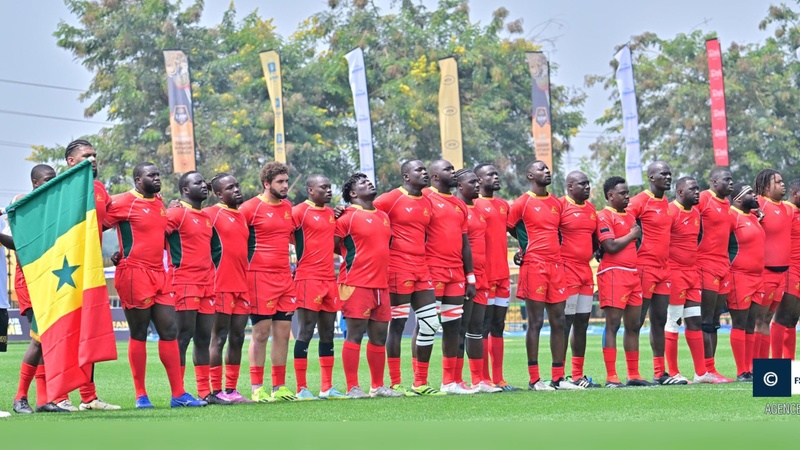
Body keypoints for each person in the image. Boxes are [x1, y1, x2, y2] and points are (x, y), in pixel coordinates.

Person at [104, 162, 204, 407]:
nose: (157, 178)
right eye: (152, 175)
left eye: (158, 174)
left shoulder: (159, 202)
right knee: (138, 332)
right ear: (138, 180)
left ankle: (178, 394)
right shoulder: (123, 202)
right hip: (134, 273)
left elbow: (158, 232)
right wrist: (115, 255)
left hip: (160, 273)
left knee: (169, 331)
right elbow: (97, 224)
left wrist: (171, 209)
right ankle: (141, 395)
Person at [57, 140, 121, 411]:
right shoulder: (58, 188)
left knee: (89, 332)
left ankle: (88, 397)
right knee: (65, 332)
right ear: (71, 161)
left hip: (91, 272)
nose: (93, 159)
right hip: (64, 272)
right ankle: (59, 397)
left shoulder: (99, 188)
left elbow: (107, 220)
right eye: (86, 156)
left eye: (94, 155)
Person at [507, 160, 578, 390]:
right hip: (534, 266)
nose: (547, 171)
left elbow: (560, 232)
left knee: (559, 321)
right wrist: (523, 248)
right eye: (541, 169)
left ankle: (558, 377)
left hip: (556, 266)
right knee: (536, 322)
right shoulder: (522, 202)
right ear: (530, 175)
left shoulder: (557, 203)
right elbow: (510, 226)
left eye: (548, 168)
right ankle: (535, 379)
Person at [374, 160, 442, 396]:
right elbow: (364, 211)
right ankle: (395, 383)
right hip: (397, 268)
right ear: (405, 176)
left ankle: (420, 382)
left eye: (425, 169)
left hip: (422, 268)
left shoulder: (427, 201)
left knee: (430, 323)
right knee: (398, 324)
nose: (424, 173)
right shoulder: (390, 199)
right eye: (419, 170)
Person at [334, 173, 404, 399]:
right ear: (353, 193)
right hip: (356, 283)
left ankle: (377, 386)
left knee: (379, 337)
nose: (369, 183)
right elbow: (332, 244)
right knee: (354, 334)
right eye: (362, 183)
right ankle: (353, 387)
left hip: (381, 285)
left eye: (369, 181)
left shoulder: (383, 216)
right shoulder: (346, 217)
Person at [5, 165, 68, 413]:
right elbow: (15, 243)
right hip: (30, 281)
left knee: (47, 340)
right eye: (47, 180)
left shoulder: (55, 209)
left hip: (51, 279)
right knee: (39, 339)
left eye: (54, 179)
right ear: (34, 183)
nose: (51, 184)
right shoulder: (22, 205)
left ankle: (44, 400)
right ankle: (20, 398)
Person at [166, 171, 228, 405]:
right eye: (198, 182)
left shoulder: (206, 217)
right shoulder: (176, 213)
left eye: (204, 182)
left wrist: (210, 271)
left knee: (203, 338)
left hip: (206, 285)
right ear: (185, 189)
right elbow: (154, 234)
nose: (204, 185)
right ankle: (178, 393)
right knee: (183, 338)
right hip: (183, 282)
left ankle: (204, 392)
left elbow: (216, 249)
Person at [240, 162, 298, 402]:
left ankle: (279, 387)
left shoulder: (287, 207)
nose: (285, 186)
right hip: (258, 277)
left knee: (283, 334)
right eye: (280, 182)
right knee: (261, 333)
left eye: (286, 181)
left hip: (285, 277)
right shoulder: (249, 208)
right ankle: (257, 388)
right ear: (266, 184)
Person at [423, 160, 477, 395]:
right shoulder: (424, 198)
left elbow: (465, 243)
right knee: (427, 325)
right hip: (432, 270)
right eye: (448, 169)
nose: (453, 172)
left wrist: (470, 277)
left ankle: (450, 382)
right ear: (435, 176)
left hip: (456, 273)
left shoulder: (459, 204)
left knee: (453, 327)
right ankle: (420, 381)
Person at [627, 161, 681, 384]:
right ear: (651, 177)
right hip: (644, 267)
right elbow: (620, 219)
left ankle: (660, 373)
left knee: (659, 319)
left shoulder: (666, 202)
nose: (668, 177)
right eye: (663, 174)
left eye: (670, 174)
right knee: (636, 321)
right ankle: (633, 374)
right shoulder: (639, 201)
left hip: (664, 269)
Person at [596, 176, 652, 388]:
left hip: (632, 274)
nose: (627, 196)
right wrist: (632, 234)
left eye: (627, 192)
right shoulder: (604, 216)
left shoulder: (629, 215)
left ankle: (634, 374)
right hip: (613, 273)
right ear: (610, 195)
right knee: (613, 324)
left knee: (634, 325)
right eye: (623, 193)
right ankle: (611, 376)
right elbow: (610, 246)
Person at [292, 175, 342, 400]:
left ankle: (326, 387)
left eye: (329, 187)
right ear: (311, 190)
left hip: (329, 279)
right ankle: (301, 388)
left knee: (328, 332)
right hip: (307, 278)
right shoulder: (299, 212)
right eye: (324, 187)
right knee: (305, 330)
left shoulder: (331, 213)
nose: (329, 190)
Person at [205, 173, 252, 403]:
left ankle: (231, 389)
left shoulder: (241, 216)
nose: (236, 190)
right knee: (218, 338)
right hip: (220, 285)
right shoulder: (210, 213)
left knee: (238, 337)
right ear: (218, 194)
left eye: (237, 185)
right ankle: (215, 391)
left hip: (242, 286)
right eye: (230, 187)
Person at [454, 169, 502, 393]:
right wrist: (468, 275)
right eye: (472, 182)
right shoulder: (457, 208)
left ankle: (479, 380)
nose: (477, 185)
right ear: (460, 186)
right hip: (465, 276)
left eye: (477, 181)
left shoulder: (480, 209)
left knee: (477, 328)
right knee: (460, 328)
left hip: (483, 276)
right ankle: (455, 380)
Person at [665, 177, 717, 383]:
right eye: (692, 189)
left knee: (695, 320)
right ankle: (673, 372)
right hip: (674, 274)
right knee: (674, 321)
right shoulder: (670, 211)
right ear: (679, 192)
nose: (697, 192)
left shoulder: (696, 213)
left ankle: (701, 373)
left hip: (692, 274)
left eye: (698, 188)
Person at [474, 164, 519, 391]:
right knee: (483, 326)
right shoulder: (473, 204)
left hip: (502, 275)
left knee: (498, 325)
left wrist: (523, 249)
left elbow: (517, 230)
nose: (496, 177)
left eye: (496, 173)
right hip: (484, 275)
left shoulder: (503, 205)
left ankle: (499, 378)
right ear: (479, 180)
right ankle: (484, 378)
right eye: (490, 174)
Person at [559, 171, 600, 388]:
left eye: (588, 184)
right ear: (570, 186)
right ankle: (559, 375)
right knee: (565, 323)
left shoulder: (591, 209)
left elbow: (594, 239)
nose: (587, 187)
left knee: (582, 322)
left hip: (585, 271)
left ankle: (577, 375)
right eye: (582, 184)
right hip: (567, 270)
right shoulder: (559, 206)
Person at [696, 168, 734, 381]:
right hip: (705, 264)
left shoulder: (727, 203)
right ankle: (704, 370)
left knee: (715, 320)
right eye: (726, 179)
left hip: (723, 266)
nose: (731, 183)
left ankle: (712, 369)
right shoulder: (703, 198)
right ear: (713, 181)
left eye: (731, 179)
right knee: (706, 319)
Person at [725, 183, 765, 381]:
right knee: (740, 323)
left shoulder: (753, 217)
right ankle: (741, 371)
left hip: (758, 277)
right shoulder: (731, 216)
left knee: (751, 324)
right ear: (738, 199)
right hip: (739, 276)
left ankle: (750, 369)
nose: (755, 196)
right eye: (750, 193)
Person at [753, 169, 790, 359]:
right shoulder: (759, 204)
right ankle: (751, 367)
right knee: (758, 320)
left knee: (767, 319)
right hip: (765, 273)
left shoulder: (786, 208)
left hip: (782, 275)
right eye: (778, 182)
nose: (783, 184)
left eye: (782, 181)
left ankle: (765, 366)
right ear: (766, 187)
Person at [772, 179, 800, 359]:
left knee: (793, 319)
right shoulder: (786, 210)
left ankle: (790, 363)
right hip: (790, 270)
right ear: (795, 193)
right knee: (783, 317)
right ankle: (776, 364)